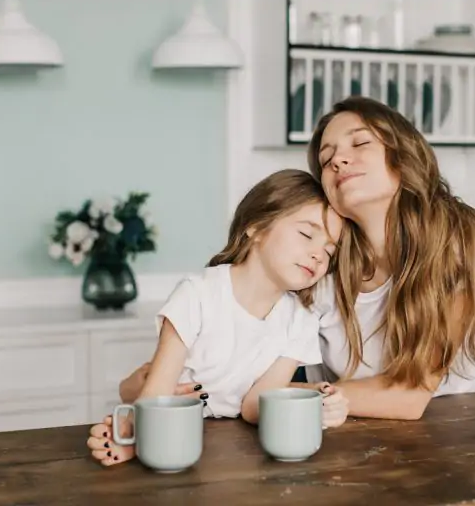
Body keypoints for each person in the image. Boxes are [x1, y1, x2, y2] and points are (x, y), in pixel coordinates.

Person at [119, 96, 475, 421]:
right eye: (327, 159)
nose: (339, 160)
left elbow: (408, 398)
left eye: (359, 144)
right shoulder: (319, 267)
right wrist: (152, 384)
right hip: (339, 435)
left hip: (448, 433)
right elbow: (237, 352)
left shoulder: (459, 240)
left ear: (401, 152)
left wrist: (272, 395)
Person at [86, 169, 350, 466]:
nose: (318, 255)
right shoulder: (197, 294)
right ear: (256, 227)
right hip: (175, 438)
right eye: (306, 234)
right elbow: (157, 391)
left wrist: (314, 402)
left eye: (329, 251)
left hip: (233, 452)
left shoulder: (302, 320)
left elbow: (254, 405)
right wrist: (138, 439)